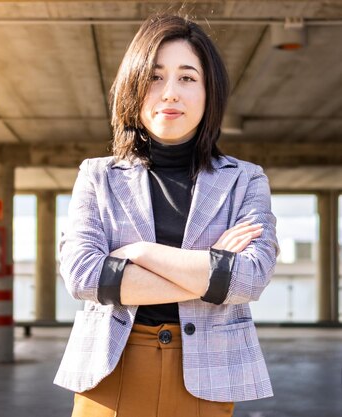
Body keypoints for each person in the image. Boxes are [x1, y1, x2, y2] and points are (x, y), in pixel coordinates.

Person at [53, 14, 279, 417]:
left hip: (208, 374)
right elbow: (84, 275)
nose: (170, 93)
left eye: (187, 78)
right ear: (134, 87)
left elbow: (249, 277)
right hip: (110, 371)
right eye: (155, 77)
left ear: (210, 92)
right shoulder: (97, 176)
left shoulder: (245, 180)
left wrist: (140, 252)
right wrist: (211, 272)